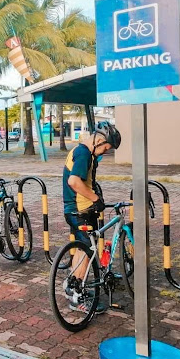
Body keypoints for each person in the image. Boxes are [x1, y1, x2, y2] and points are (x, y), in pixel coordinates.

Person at [62, 121, 121, 314]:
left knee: (82, 250)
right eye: (107, 147)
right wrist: (95, 199)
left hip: (76, 210)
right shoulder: (84, 154)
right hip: (80, 211)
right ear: (100, 140)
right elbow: (74, 181)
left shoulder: (81, 152)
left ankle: (71, 285)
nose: (106, 151)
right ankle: (77, 299)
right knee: (87, 252)